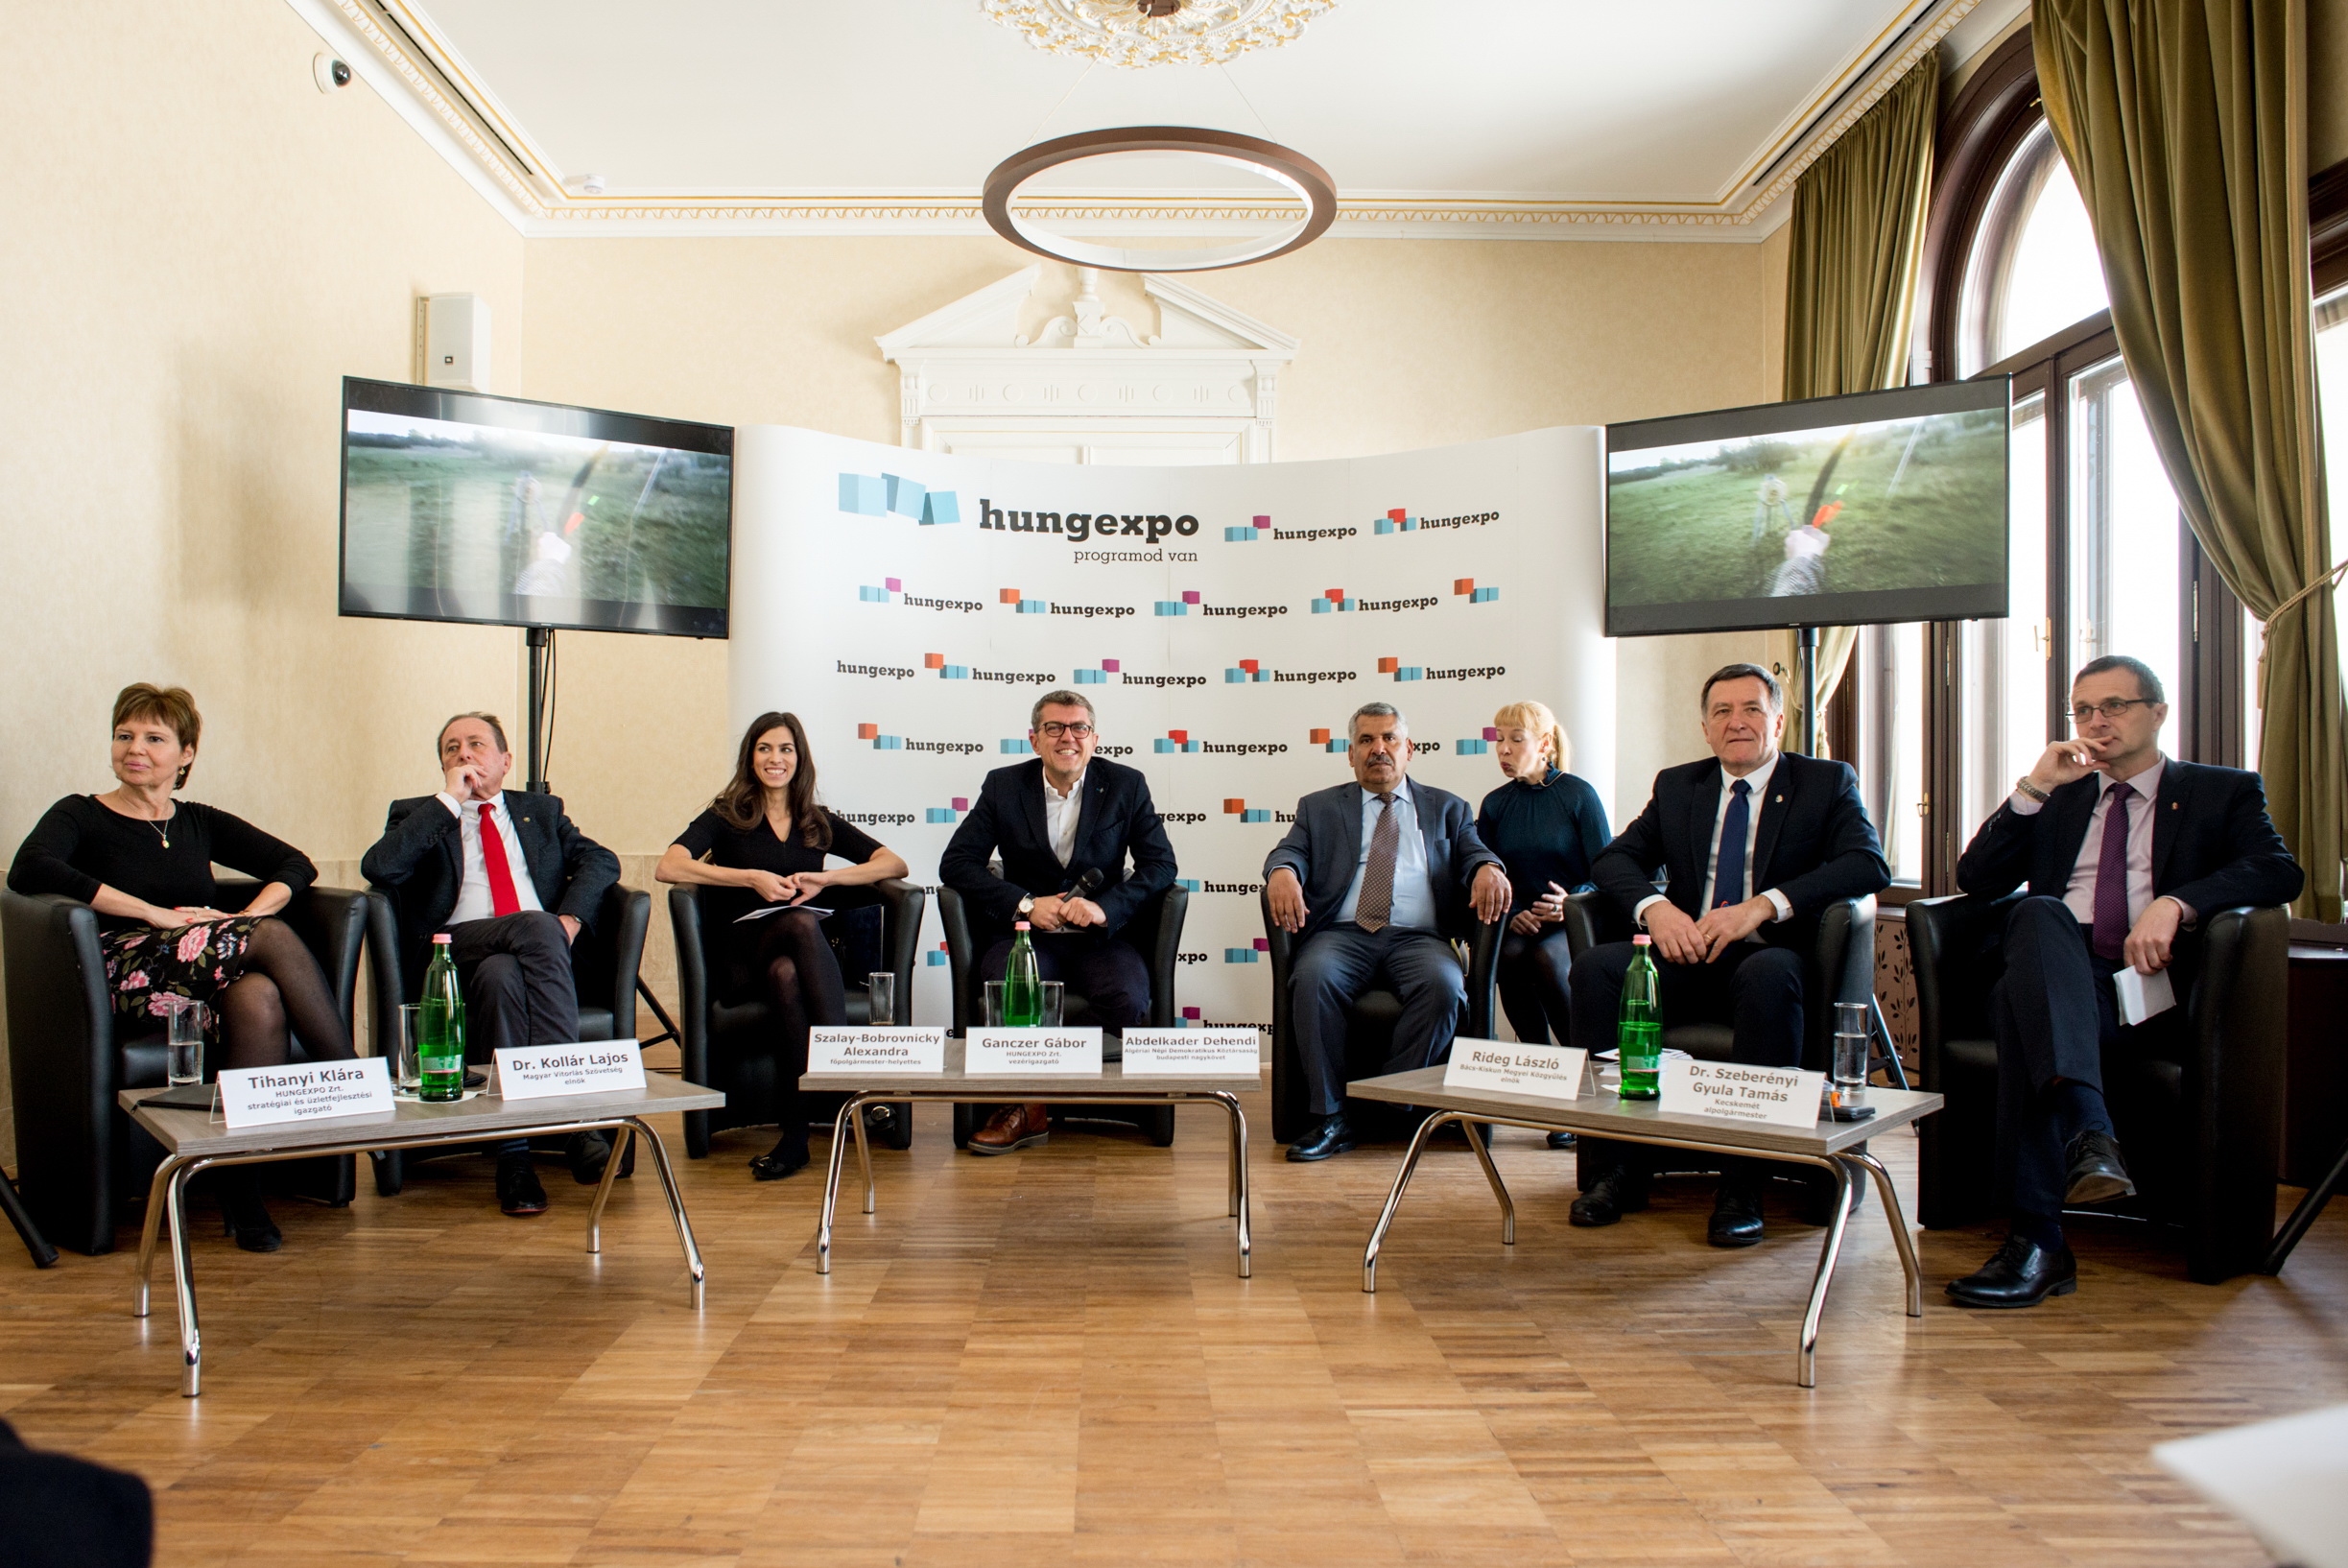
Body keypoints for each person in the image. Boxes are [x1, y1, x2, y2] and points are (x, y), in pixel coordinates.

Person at [1944, 654, 2302, 1309]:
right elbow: (1977, 879)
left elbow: (2279, 871)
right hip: (2051, 961)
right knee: (2038, 916)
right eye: (2083, 710)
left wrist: (2177, 903)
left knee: (2028, 1016)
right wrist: (2032, 788)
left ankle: (2038, 1244)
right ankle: (2089, 1136)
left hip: (2146, 983)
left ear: (2156, 713)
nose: (2096, 721)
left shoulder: (2219, 791)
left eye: (2114, 705)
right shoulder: (2060, 795)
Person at [7, 683, 357, 1252]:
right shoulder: (80, 814)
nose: (134, 749)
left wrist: (242, 918)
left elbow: (295, 864)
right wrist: (150, 912)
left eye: (154, 738)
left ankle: (241, 1188)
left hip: (199, 971)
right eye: (124, 736)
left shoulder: (198, 821)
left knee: (259, 994)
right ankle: (355, 1086)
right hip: (124, 971)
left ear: (186, 753)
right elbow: (28, 868)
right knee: (268, 941)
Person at [1569, 662, 1888, 1246]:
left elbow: (1867, 864)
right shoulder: (1679, 785)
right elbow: (1614, 860)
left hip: (1772, 955)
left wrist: (1763, 906)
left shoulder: (1825, 782)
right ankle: (1615, 1168)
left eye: (1751, 710)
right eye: (1722, 712)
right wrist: (1657, 910)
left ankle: (1743, 1184)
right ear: (1706, 728)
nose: (1736, 722)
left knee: (1768, 975)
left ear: (1778, 722)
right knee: (1597, 970)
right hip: (1690, 954)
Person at [361, 711, 620, 1218]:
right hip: (452, 950)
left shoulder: (540, 811)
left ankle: (514, 1159)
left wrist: (569, 920)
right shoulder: (418, 813)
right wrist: (448, 802)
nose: (463, 753)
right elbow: (379, 867)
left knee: (503, 974)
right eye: (451, 748)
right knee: (535, 928)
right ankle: (572, 1120)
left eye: (476, 744)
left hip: (525, 955)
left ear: (505, 760)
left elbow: (601, 860)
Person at [655, 711, 910, 1180]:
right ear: (751, 757)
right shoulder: (727, 815)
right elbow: (669, 866)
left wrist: (826, 879)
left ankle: (795, 1138)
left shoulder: (816, 821)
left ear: (799, 758)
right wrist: (748, 877)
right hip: (739, 959)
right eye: (765, 748)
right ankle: (842, 1062)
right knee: (800, 922)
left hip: (790, 961)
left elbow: (893, 864)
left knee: (787, 975)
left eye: (786, 749)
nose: (776, 759)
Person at [1265, 701, 1510, 1162]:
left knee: (1444, 987)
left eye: (1389, 738)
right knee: (1312, 978)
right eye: (1366, 740)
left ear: (1408, 749)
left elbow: (1475, 850)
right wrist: (1282, 871)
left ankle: (1384, 1102)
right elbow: (1290, 850)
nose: (1378, 749)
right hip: (1343, 935)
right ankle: (1331, 1116)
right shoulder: (1318, 807)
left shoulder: (1448, 807)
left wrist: (1488, 868)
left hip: (1419, 938)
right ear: (1351, 754)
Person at [940, 691, 1177, 1153]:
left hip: (1098, 939)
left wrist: (1106, 908)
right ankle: (1026, 1107)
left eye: (1079, 728)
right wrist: (1026, 903)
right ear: (1035, 740)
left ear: (1094, 739)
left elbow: (1161, 866)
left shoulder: (1126, 784)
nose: (1068, 737)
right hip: (1026, 938)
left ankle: (1067, 1095)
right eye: (1054, 728)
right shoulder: (1004, 786)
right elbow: (957, 863)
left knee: (1128, 997)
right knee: (1015, 994)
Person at [1477, 700, 1609, 1152]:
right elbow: (1486, 868)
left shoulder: (1578, 795)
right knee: (1507, 956)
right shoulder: (1496, 804)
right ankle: (1546, 1076)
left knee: (1546, 961)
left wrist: (1568, 902)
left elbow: (1605, 871)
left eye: (1516, 740)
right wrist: (1513, 911)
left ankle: (1583, 1078)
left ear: (1545, 744)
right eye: (1499, 740)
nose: (1504, 750)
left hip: (1570, 920)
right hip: (1519, 921)